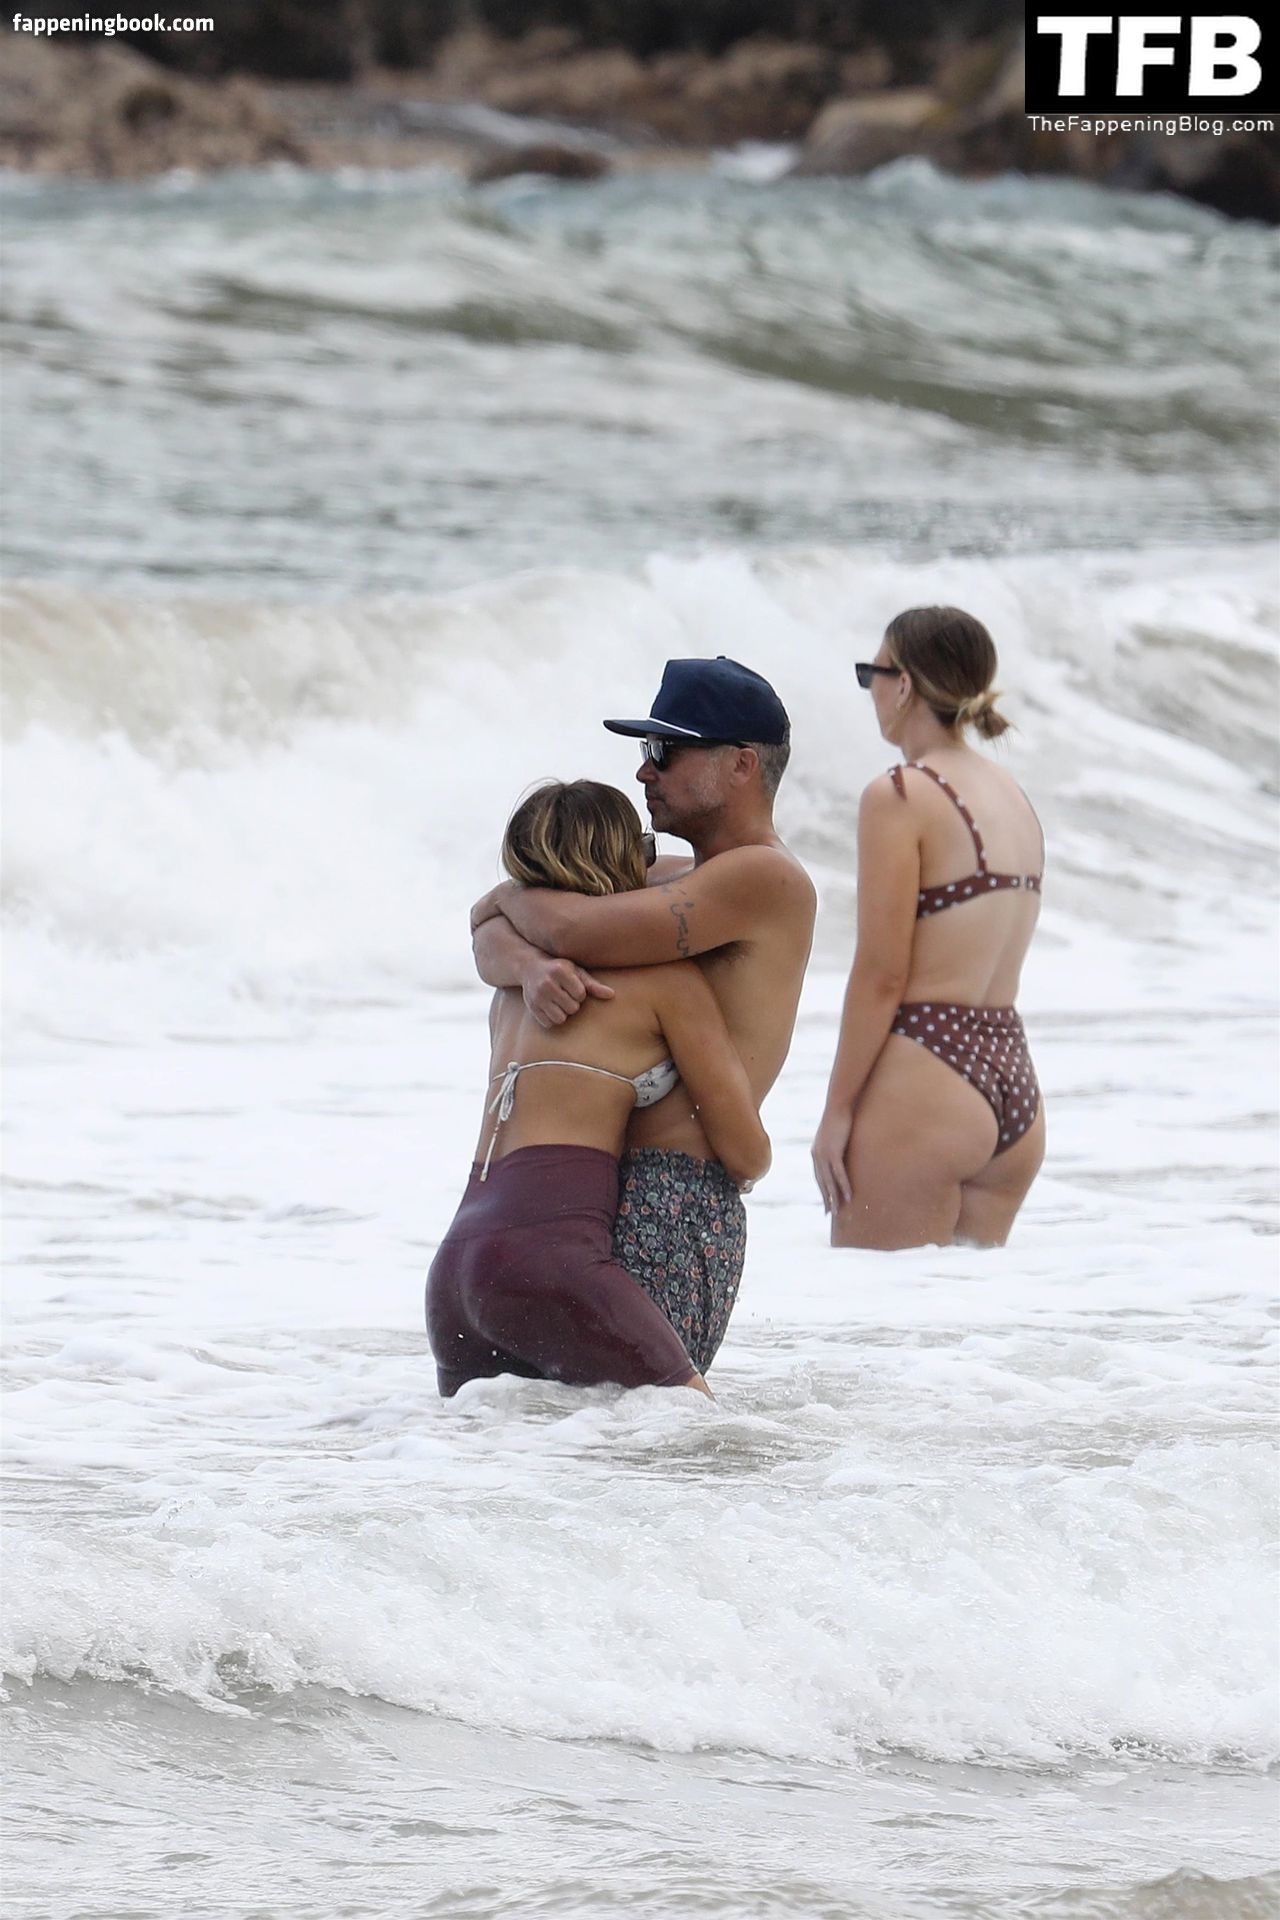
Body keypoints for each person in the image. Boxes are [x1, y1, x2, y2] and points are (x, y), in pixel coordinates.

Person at [470, 657, 816, 1373]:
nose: (644, 771)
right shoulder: (681, 878)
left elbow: (567, 925)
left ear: (742, 763)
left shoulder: (763, 876)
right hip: (595, 1194)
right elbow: (490, 926)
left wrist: (513, 901)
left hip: (675, 1194)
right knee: (573, 1432)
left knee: (642, 1426)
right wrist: (527, 960)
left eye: (665, 750)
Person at [427, 779, 770, 1399]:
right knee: (695, 1428)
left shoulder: (514, 990)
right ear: (621, 862)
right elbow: (746, 1152)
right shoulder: (665, 982)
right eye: (643, 850)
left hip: (455, 1272)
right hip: (550, 1256)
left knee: (508, 1458)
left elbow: (487, 932)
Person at [811, 607, 1046, 1250]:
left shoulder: (901, 795)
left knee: (877, 1311)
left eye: (873, 674)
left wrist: (837, 1110)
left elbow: (882, 974)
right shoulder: (1011, 795)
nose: (871, 691)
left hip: (927, 1073)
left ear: (905, 685)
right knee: (965, 1314)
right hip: (1011, 1078)